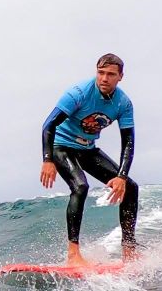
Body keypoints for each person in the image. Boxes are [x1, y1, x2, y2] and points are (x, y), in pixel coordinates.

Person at [39, 53, 139, 265]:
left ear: (120, 76)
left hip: (87, 149)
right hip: (61, 147)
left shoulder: (123, 103)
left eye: (110, 74)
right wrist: (48, 160)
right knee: (80, 187)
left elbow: (128, 141)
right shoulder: (78, 93)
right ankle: (73, 253)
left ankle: (129, 249)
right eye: (101, 73)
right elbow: (48, 125)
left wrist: (121, 176)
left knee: (130, 186)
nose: (104, 78)